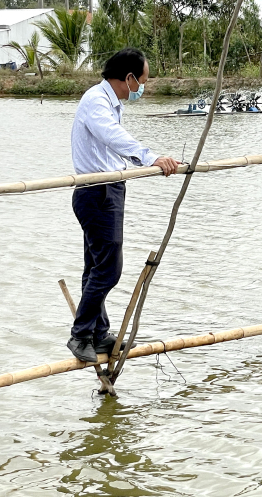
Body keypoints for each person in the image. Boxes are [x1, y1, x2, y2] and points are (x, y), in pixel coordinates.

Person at [68, 48, 180, 363]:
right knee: (109, 269)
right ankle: (80, 335)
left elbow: (112, 145)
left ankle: (98, 333)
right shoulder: (97, 101)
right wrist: (151, 157)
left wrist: (153, 162)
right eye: (142, 81)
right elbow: (113, 136)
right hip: (97, 192)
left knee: (96, 266)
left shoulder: (109, 102)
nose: (142, 88)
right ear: (128, 78)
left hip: (107, 189)